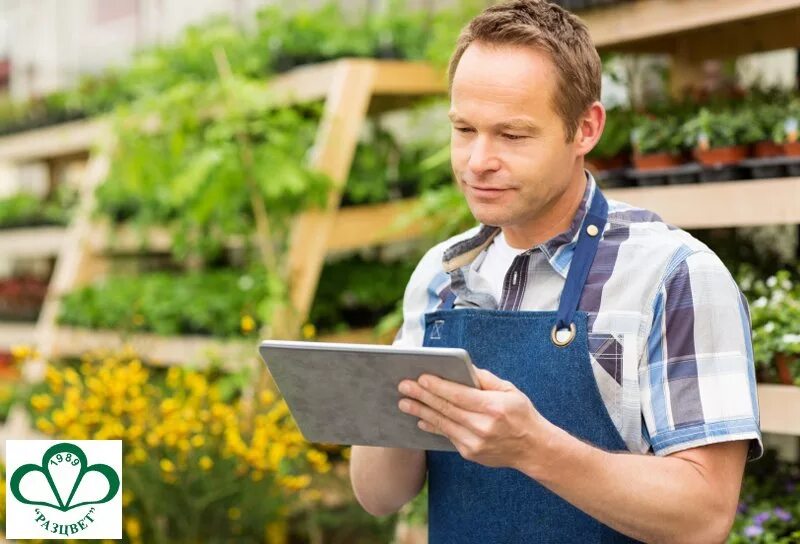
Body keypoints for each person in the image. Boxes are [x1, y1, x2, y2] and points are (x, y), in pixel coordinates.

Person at [349, 1, 763, 542]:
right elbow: (379, 496)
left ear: (585, 128)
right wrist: (376, 401)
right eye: (464, 129)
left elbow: (704, 515)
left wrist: (532, 448)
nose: (478, 160)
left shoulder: (674, 278)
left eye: (512, 135)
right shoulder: (441, 276)